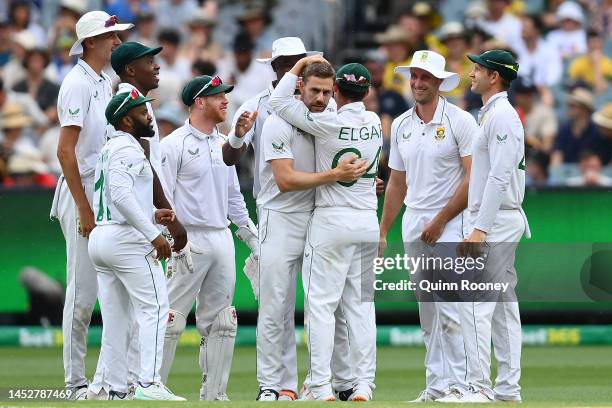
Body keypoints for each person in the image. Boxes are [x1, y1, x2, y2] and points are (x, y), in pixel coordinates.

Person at [222, 36, 354, 401]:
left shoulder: (322, 105)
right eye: (290, 63)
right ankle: (276, 384)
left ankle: (321, 382)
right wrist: (236, 136)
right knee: (275, 304)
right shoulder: (257, 105)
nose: (296, 69)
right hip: (278, 213)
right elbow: (228, 159)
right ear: (277, 66)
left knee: (324, 305)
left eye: (301, 62)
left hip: (319, 212)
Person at [270, 56, 382, 401]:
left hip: (332, 219)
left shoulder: (325, 121)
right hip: (367, 221)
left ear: (336, 90)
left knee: (321, 305)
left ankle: (320, 385)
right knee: (362, 306)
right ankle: (363, 384)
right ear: (366, 91)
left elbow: (277, 101)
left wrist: (301, 64)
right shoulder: (377, 122)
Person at [87, 40, 188, 400]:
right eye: (144, 113)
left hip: (104, 237)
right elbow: (121, 194)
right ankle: (148, 383)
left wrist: (151, 213)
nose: (150, 117)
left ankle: (116, 388)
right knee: (156, 307)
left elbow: (119, 195)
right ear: (127, 118)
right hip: (126, 238)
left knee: (116, 321)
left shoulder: (111, 148)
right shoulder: (129, 146)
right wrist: (153, 233)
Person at [380, 50, 477, 402]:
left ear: (439, 83)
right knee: (428, 308)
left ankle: (462, 384)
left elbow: (473, 178)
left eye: (425, 78)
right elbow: (396, 183)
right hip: (414, 223)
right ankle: (437, 384)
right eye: (414, 77)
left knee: (451, 306)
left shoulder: (461, 121)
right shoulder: (403, 124)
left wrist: (440, 221)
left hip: (449, 222)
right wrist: (383, 230)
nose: (418, 83)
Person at [158, 75, 258, 401]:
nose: (225, 101)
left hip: (220, 238)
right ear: (200, 102)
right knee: (170, 319)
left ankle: (214, 394)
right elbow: (162, 200)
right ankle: (150, 387)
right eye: (218, 96)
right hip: (187, 240)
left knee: (222, 321)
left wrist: (252, 238)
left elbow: (233, 198)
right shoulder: (173, 144)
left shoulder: (225, 143)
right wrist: (168, 240)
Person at [439, 49, 530, 403]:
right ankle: (508, 389)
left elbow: (499, 175)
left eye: (477, 69)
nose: (471, 73)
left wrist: (480, 227)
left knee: (474, 303)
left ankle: (479, 387)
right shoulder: (493, 113)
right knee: (504, 305)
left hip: (497, 219)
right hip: (499, 217)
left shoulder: (503, 115)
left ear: (494, 76)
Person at [50, 10, 133, 400]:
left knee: (112, 292)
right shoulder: (76, 84)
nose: (117, 42)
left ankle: (107, 380)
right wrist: (84, 208)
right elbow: (65, 152)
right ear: (92, 43)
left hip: (100, 190)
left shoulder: (104, 80)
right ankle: (74, 384)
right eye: (111, 36)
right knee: (82, 293)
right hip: (80, 191)